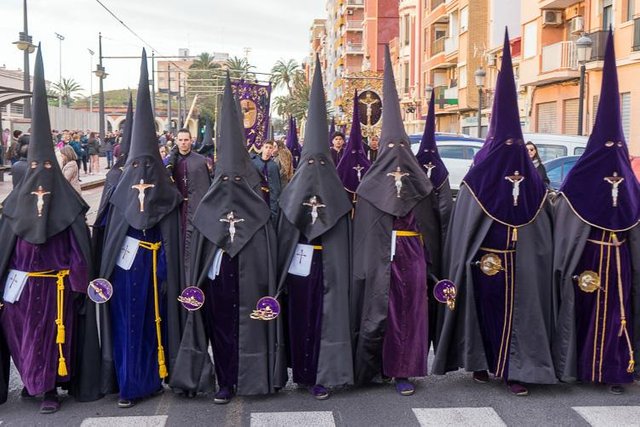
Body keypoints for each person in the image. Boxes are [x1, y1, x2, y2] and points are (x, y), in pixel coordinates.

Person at [432, 31, 556, 396]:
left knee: (522, 317)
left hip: (521, 266)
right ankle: (484, 362)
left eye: (516, 146)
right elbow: (463, 231)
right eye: (506, 145)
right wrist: (466, 261)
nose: (511, 156)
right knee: (484, 315)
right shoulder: (477, 179)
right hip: (485, 264)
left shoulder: (532, 181)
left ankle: (517, 368)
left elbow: (543, 229)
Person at [171, 74, 285, 403]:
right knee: (220, 329)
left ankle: (252, 379)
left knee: (251, 327)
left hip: (249, 278)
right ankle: (224, 381)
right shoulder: (209, 205)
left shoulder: (258, 208)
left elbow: (266, 246)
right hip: (218, 277)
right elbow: (202, 242)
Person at [0, 46, 101, 413]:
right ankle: (31, 381)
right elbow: (6, 248)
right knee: (23, 339)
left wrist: (77, 284)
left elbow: (78, 248)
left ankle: (48, 391)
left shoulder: (68, 208)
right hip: (21, 289)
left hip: (55, 289)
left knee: (52, 340)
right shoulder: (12, 210)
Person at [552, 31, 640, 395]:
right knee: (587, 313)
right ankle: (582, 365)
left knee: (618, 313)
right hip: (588, 255)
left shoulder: (627, 176)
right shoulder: (580, 175)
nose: (611, 151)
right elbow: (568, 217)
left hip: (618, 255)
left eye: (616, 145)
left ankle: (614, 369)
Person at [352, 46, 441, 396]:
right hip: (379, 258)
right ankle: (374, 367)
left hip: (412, 256)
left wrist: (431, 263)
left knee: (408, 315)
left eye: (401, 147)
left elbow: (432, 228)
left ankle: (403, 370)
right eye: (390, 148)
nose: (397, 158)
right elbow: (365, 229)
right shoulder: (369, 185)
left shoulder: (421, 183)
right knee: (376, 311)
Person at [97, 49, 184, 408]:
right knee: (127, 327)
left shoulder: (170, 196)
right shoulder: (118, 193)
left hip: (156, 273)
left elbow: (175, 237)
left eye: (151, 165)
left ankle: (158, 376)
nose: (144, 177)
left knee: (155, 326)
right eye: (139, 164)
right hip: (124, 273)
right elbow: (104, 233)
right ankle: (129, 384)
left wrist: (166, 267)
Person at [276, 56, 354, 400]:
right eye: (310, 162)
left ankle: (324, 373)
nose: (316, 168)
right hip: (299, 268)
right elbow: (285, 231)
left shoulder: (337, 193)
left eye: (321, 163)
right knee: (300, 318)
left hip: (328, 267)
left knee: (326, 319)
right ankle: (302, 372)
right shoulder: (294, 191)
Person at [414, 89, 454, 350]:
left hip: (420, 238)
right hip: (429, 239)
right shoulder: (438, 171)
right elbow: (446, 212)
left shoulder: (416, 170)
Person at [166, 127, 212, 280]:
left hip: (194, 209)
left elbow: (204, 186)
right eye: (180, 140)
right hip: (176, 209)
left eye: (186, 140)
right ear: (176, 141)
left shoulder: (200, 161)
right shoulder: (170, 162)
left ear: (191, 141)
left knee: (191, 245)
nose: (183, 143)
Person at [336, 90, 371, 205]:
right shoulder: (344, 160)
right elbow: (339, 174)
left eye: (359, 152)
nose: (356, 154)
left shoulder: (365, 161)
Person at [251, 140, 281, 221]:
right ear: (262, 148)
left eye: (270, 148)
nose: (268, 150)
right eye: (266, 147)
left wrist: (275, 199)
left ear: (272, 150)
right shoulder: (254, 163)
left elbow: (276, 186)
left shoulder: (274, 166)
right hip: (257, 194)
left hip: (268, 197)